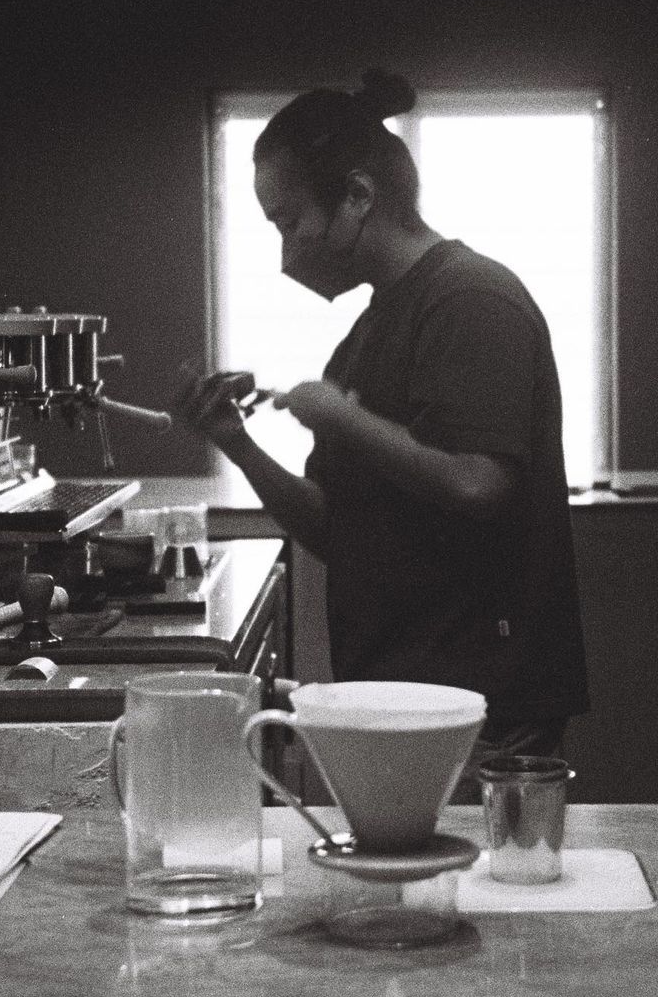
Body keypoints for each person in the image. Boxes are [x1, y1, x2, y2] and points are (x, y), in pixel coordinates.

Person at [174, 70, 590, 785]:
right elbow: (335, 529)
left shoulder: (472, 299)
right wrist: (235, 443)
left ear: (359, 198)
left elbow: (478, 483)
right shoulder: (368, 331)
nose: (286, 252)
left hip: (478, 710)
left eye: (289, 221)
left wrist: (342, 415)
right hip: (397, 699)